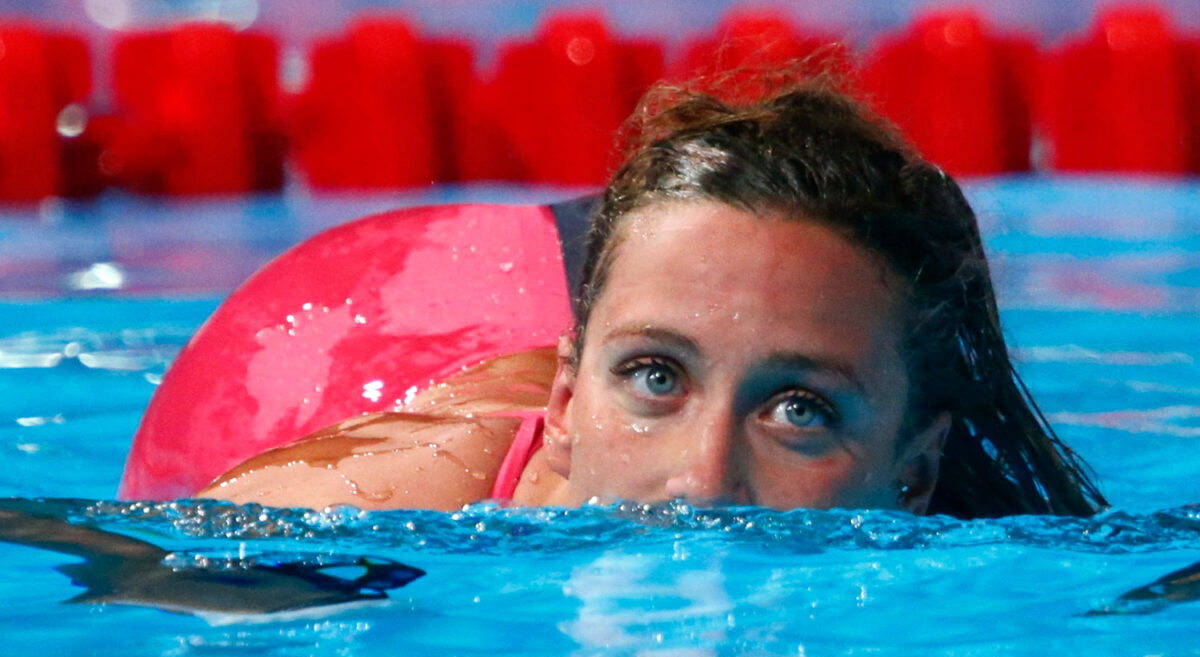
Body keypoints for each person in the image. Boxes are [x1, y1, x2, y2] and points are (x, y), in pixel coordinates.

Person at [198, 72, 1108, 519]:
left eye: (800, 408)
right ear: (563, 401)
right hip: (403, 308)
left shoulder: (969, 544)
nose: (702, 486)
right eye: (656, 381)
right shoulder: (374, 504)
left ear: (911, 472)